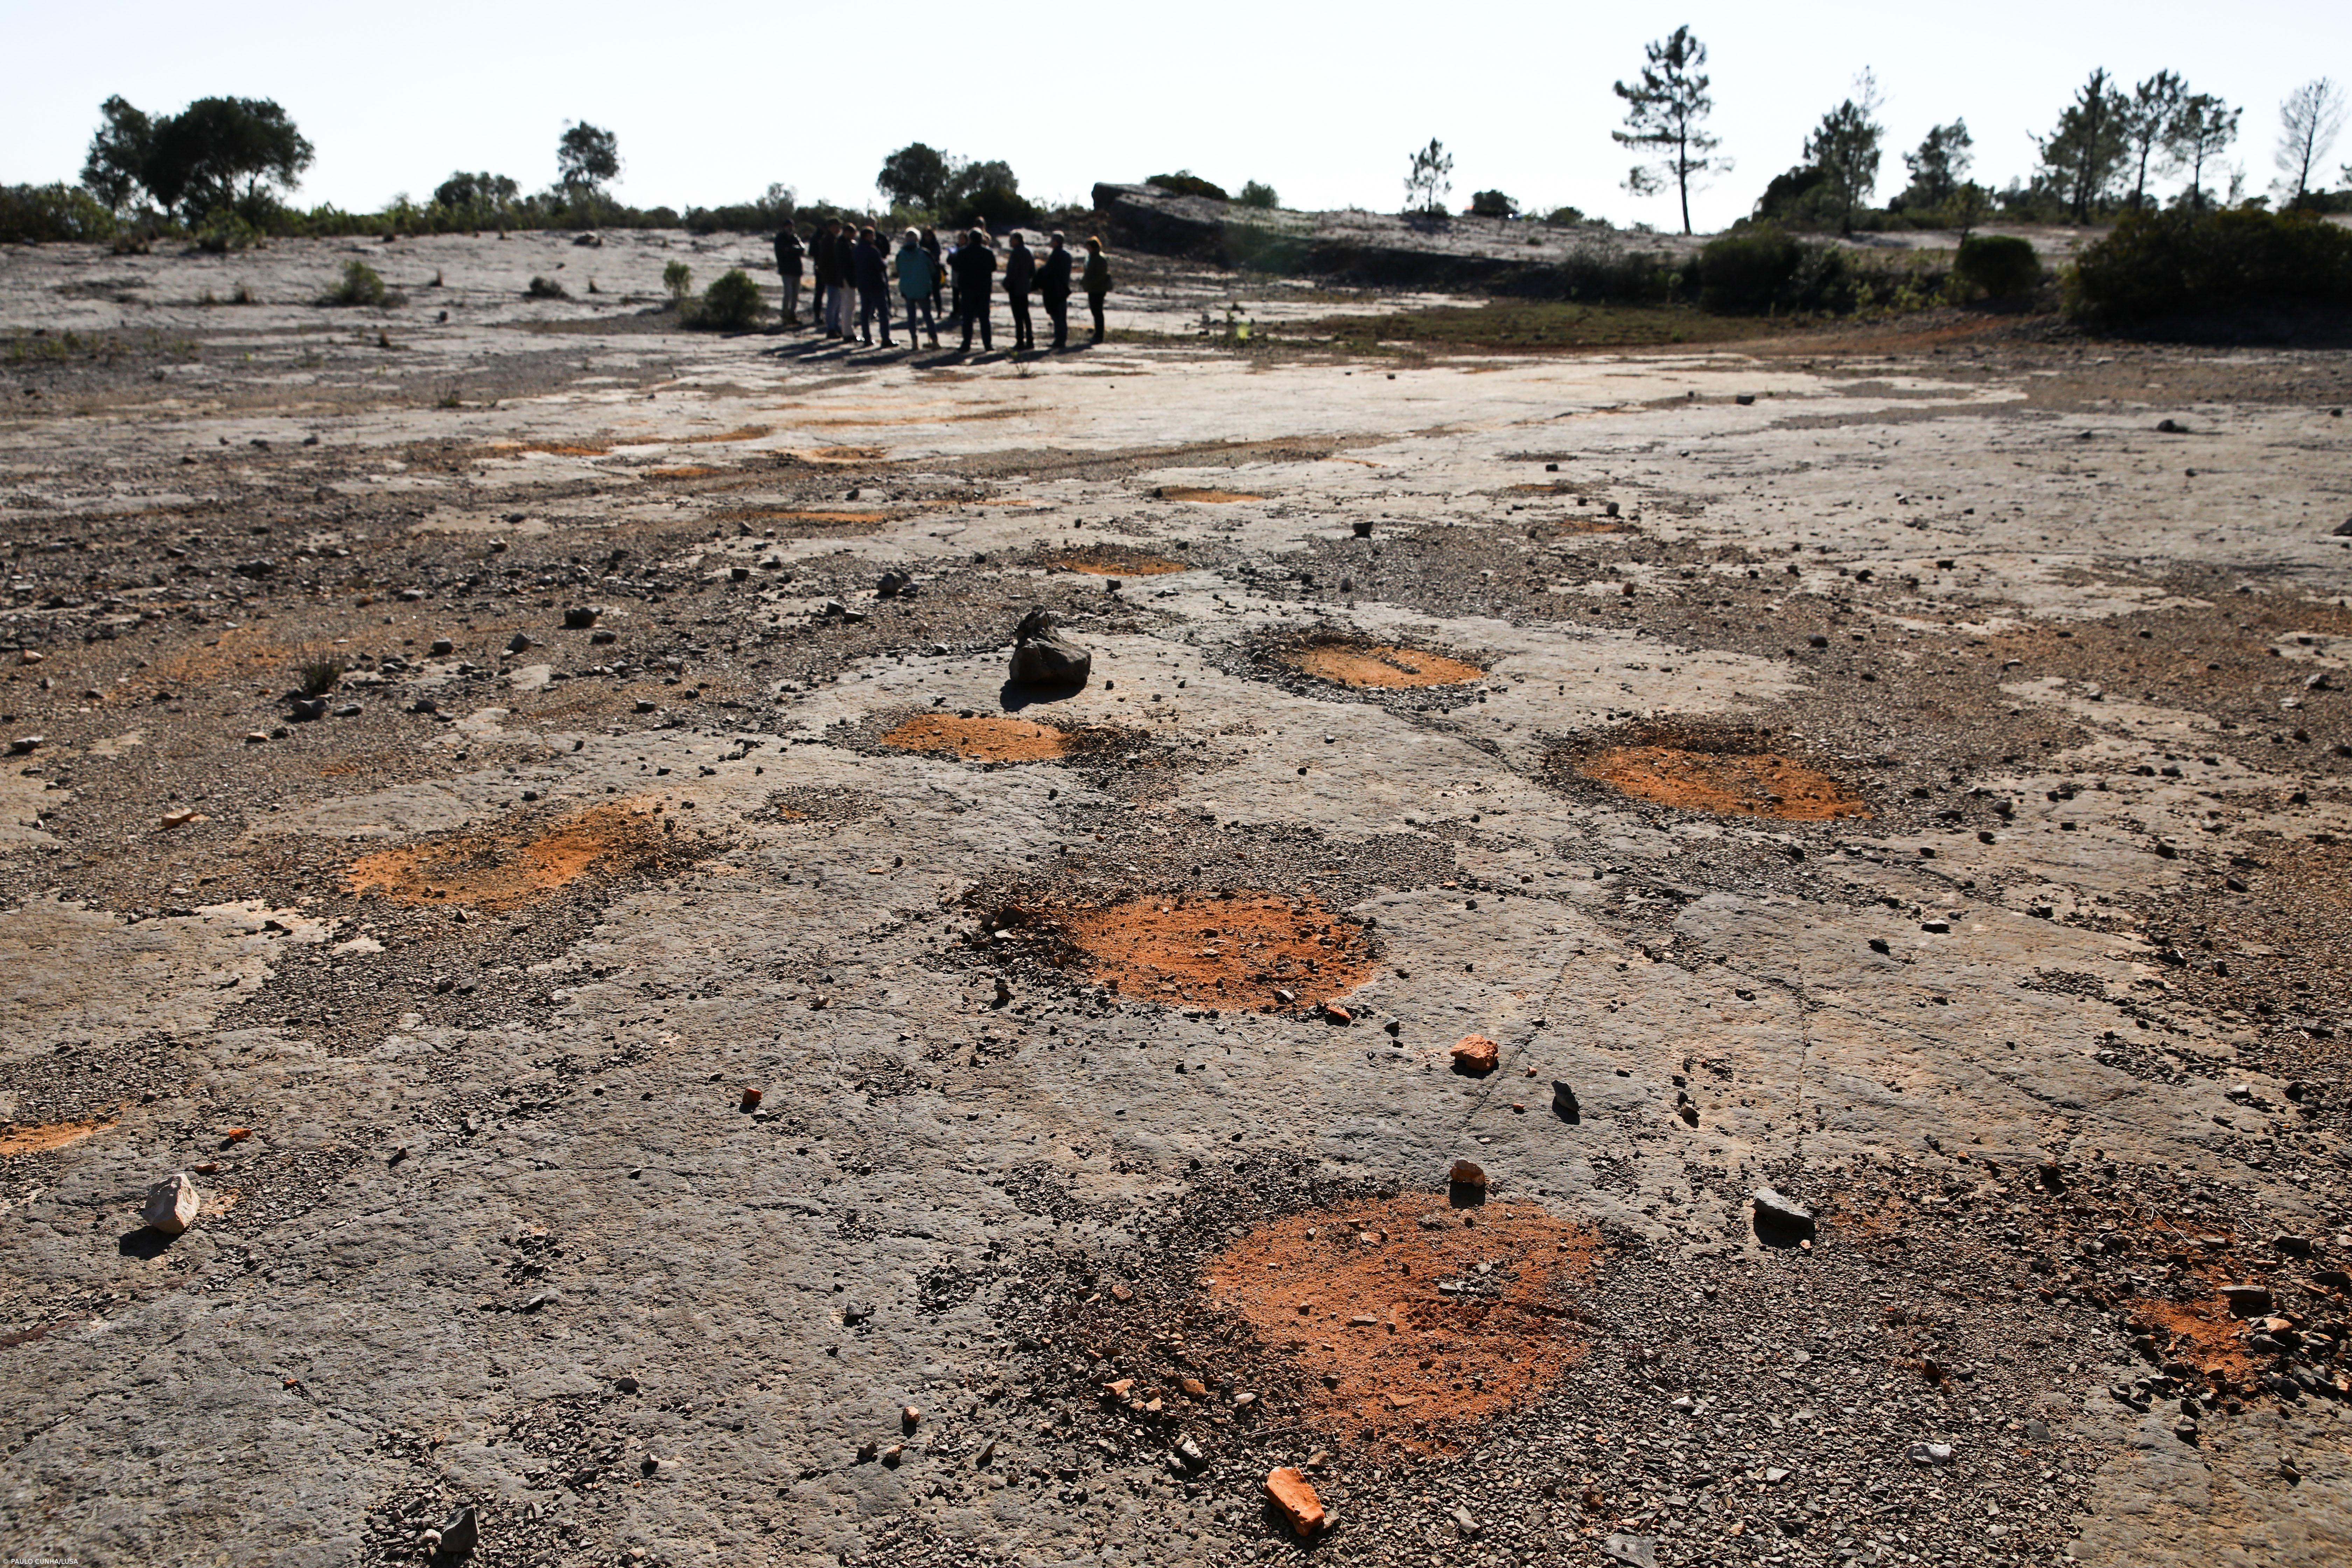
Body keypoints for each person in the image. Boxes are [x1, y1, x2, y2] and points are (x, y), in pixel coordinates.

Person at [950, 229, 995, 352]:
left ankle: (966, 344)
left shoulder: (963, 252)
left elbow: (956, 267)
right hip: (984, 289)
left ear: (970, 239)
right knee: (985, 318)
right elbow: (994, 267)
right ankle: (988, 345)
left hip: (968, 289)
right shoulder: (987, 252)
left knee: (968, 319)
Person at [895, 226, 939, 348]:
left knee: (911, 317)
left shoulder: (901, 255)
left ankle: (914, 341)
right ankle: (934, 340)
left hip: (908, 289)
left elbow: (898, 271)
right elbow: (933, 270)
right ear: (918, 239)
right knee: (927, 316)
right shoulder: (924, 254)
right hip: (923, 289)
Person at [853, 225, 895, 346]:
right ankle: (885, 338)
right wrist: (885, 262)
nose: (874, 238)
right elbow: (881, 266)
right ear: (868, 236)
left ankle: (867, 338)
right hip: (876, 285)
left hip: (863, 285)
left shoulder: (856, 250)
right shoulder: (872, 250)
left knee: (865, 314)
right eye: (873, 236)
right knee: (883, 312)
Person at [1036, 231, 1074, 350]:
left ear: (1056, 242)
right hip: (1063, 288)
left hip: (1055, 289)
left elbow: (1049, 271)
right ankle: (1061, 339)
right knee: (1061, 315)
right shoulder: (1067, 254)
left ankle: (1060, 340)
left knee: (1057, 316)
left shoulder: (1057, 255)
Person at [1002, 231, 1036, 351]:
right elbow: (1033, 271)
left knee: (1018, 316)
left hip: (1016, 288)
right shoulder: (1029, 251)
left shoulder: (1016, 253)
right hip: (1025, 287)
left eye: (1012, 239)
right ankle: (1030, 340)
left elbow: (1013, 272)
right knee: (1026, 315)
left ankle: (1020, 341)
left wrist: (1007, 283)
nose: (1010, 242)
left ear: (1017, 240)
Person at [810, 218, 841, 338]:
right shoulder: (827, 240)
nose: (839, 229)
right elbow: (824, 259)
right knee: (832, 304)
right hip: (831, 276)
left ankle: (836, 327)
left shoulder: (833, 239)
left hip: (834, 276)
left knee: (837, 303)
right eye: (837, 226)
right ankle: (831, 329)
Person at [830, 222, 860, 339]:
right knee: (849, 306)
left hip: (844, 278)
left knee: (846, 306)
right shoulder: (843, 245)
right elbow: (848, 263)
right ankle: (848, 333)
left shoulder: (841, 243)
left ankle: (846, 331)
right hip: (847, 278)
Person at [772, 224, 806, 325]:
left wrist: (792, 249)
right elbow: (783, 251)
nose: (790, 228)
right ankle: (785, 315)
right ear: (784, 227)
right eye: (788, 226)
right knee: (788, 294)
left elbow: (802, 249)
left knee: (795, 294)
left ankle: (793, 315)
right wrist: (793, 250)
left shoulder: (795, 237)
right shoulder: (780, 238)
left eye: (791, 226)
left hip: (796, 270)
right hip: (786, 271)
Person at [1082, 235, 1112, 344]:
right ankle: (1097, 334)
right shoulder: (1091, 257)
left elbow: (1100, 276)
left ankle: (1099, 335)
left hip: (1098, 290)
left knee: (1098, 312)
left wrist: (1090, 283)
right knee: (1095, 312)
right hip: (1093, 289)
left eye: (1088, 247)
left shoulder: (1100, 258)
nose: (1087, 249)